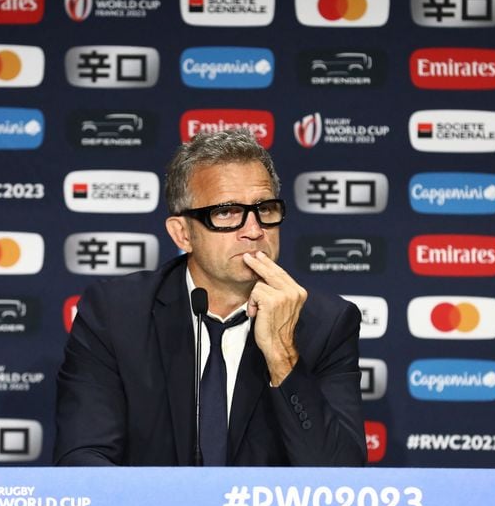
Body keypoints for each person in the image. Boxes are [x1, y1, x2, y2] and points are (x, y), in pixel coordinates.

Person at [54, 128, 366, 466]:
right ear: (183, 233)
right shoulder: (116, 314)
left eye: (265, 208)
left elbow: (340, 480)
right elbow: (83, 460)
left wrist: (281, 355)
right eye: (227, 213)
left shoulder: (324, 323)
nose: (254, 230)